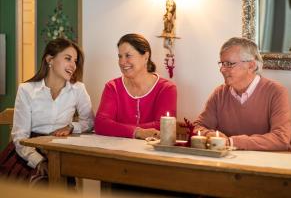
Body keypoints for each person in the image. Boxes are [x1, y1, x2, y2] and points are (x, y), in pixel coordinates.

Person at [0, 38, 94, 180]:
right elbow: (20, 137)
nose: (73, 65)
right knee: (37, 184)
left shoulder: (78, 89)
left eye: (75, 61)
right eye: (68, 58)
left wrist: (71, 127)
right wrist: (39, 161)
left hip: (59, 150)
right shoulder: (26, 90)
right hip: (27, 152)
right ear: (50, 59)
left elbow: (90, 122)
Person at [193, 37, 291, 151]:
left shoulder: (276, 92)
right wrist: (210, 135)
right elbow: (197, 127)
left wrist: (232, 142)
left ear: (251, 66)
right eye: (222, 63)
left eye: (229, 64)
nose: (222, 70)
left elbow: (281, 138)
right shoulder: (219, 94)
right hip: (229, 164)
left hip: (269, 166)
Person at [94, 33, 177, 140]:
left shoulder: (166, 89)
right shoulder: (112, 87)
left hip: (153, 154)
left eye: (128, 55)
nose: (122, 62)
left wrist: (117, 128)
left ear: (146, 57)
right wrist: (138, 132)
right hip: (117, 153)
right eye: (120, 56)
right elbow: (101, 124)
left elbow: (164, 126)